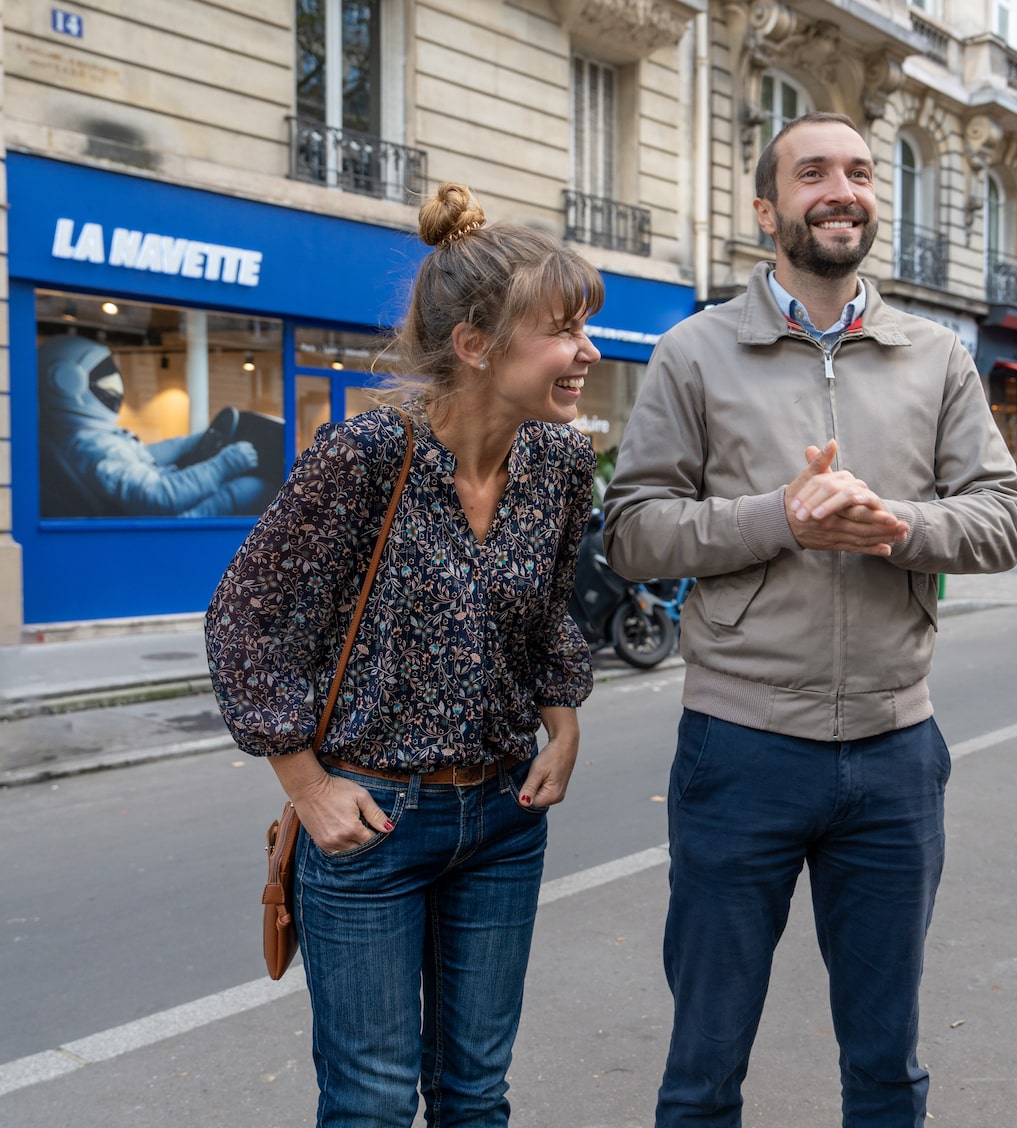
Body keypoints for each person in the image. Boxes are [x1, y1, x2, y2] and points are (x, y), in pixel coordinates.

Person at [602, 111, 1017, 1127]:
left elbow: (1003, 519)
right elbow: (631, 532)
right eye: (813, 173)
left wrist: (896, 528)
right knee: (705, 1065)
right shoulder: (694, 352)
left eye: (861, 173)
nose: (842, 190)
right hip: (739, 749)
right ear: (767, 208)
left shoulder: (937, 358)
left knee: (887, 1068)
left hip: (895, 752)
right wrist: (777, 519)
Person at [205, 183, 603, 1128]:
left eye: (587, 327)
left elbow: (546, 613)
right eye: (563, 330)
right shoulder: (368, 454)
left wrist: (563, 719)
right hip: (373, 825)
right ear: (475, 346)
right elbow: (244, 620)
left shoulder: (558, 463)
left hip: (505, 817)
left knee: (475, 1094)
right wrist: (305, 785)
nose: (588, 351)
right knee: (373, 1104)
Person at [37, 334, 271, 518]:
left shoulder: (83, 437)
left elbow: (142, 456)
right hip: (172, 522)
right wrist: (224, 465)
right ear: (67, 383)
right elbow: (161, 497)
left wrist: (189, 443)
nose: (113, 386)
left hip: (158, 514)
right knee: (253, 486)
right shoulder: (93, 447)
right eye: (102, 377)